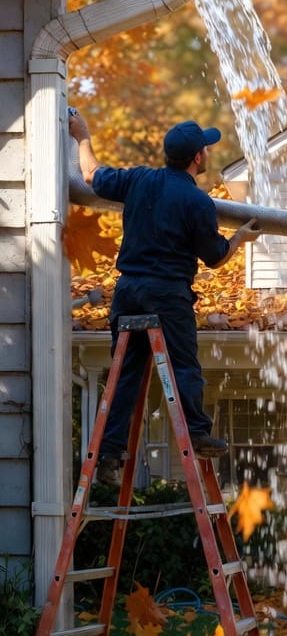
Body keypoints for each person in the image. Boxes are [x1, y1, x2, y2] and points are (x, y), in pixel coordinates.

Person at [69, 111, 263, 486]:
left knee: (126, 375)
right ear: (197, 158)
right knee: (184, 366)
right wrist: (241, 238)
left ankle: (109, 456)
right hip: (168, 295)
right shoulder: (197, 202)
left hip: (127, 293)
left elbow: (91, 174)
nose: (207, 152)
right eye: (206, 148)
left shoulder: (140, 179)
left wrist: (83, 136)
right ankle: (197, 435)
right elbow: (216, 258)